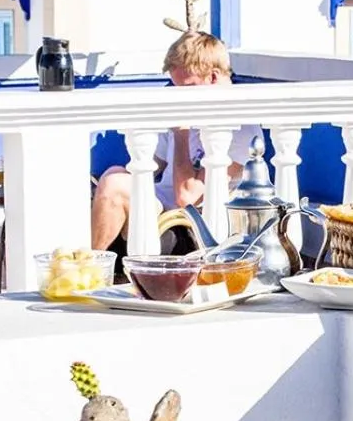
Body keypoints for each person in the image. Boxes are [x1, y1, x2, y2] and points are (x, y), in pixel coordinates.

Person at [90, 30, 261, 256]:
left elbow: (188, 198)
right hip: (162, 202)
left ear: (213, 77)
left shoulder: (241, 127)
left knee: (115, 185)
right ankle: (87, 265)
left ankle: (89, 267)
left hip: (194, 223)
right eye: (175, 87)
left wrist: (181, 134)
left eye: (187, 87)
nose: (179, 96)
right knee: (114, 175)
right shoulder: (188, 105)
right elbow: (153, 164)